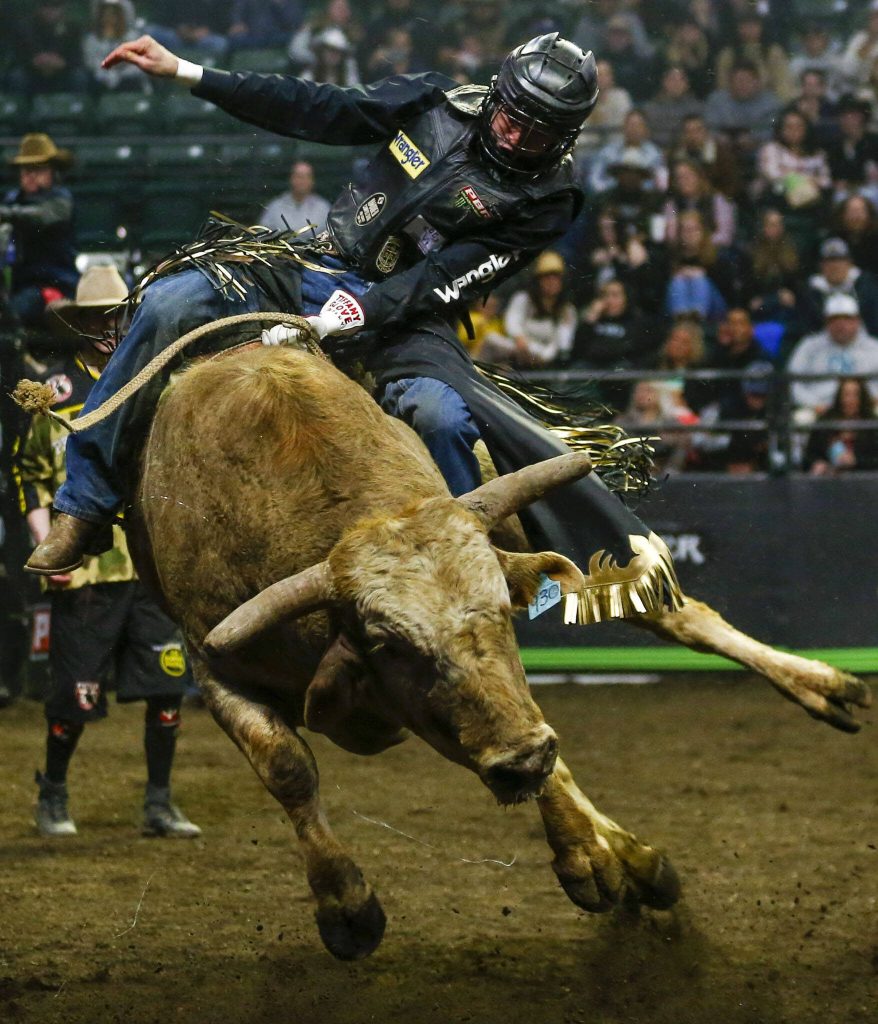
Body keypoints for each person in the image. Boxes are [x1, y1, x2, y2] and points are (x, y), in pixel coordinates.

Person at [29, 31, 687, 629]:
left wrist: (358, 315)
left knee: (442, 417)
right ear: (496, 98)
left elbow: (450, 277)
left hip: (407, 317)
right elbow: (318, 107)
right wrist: (187, 72)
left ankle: (477, 576)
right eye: (513, 119)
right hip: (309, 260)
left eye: (537, 135)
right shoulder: (436, 100)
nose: (516, 139)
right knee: (167, 303)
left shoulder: (549, 198)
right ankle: (84, 504)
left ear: (565, 138)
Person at [17, 265, 202, 839]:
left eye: (114, 316)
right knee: (75, 697)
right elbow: (31, 475)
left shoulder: (160, 383)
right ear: (82, 325)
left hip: (151, 567)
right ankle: (52, 793)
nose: (107, 328)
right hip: (89, 571)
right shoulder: (57, 394)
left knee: (167, 686)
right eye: (96, 318)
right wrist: (50, 546)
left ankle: (159, 802)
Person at [0, 133, 79, 329]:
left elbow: (41, 216)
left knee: (15, 313)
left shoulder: (60, 200)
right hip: (19, 285)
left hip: (54, 284)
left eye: (39, 169)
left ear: (52, 172)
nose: (31, 175)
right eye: (26, 170)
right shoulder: (12, 199)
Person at [787, 293, 878, 417]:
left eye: (847, 319)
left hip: (866, 408)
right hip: (820, 407)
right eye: (834, 319)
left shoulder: (874, 347)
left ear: (857, 321)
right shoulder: (809, 346)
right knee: (802, 419)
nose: (841, 325)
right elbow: (792, 383)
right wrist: (813, 404)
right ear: (826, 322)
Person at [480, 250, 576, 368]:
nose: (552, 282)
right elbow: (512, 322)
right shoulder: (523, 299)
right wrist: (519, 339)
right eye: (547, 278)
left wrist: (542, 357)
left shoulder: (567, 310)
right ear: (538, 280)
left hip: (546, 359)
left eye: (556, 278)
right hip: (518, 350)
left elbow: (562, 343)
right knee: (491, 339)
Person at [802, 376, 878, 475]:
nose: (850, 400)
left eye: (856, 395)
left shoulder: (871, 423)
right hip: (829, 481)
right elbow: (808, 457)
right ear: (839, 396)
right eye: (846, 394)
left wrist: (856, 461)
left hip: (863, 481)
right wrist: (817, 464)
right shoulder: (825, 421)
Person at [258, 160, 332, 234]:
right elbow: (262, 234)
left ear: (312, 181)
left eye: (306, 176)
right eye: (298, 176)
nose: (302, 180)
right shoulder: (275, 206)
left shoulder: (324, 208)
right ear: (291, 179)